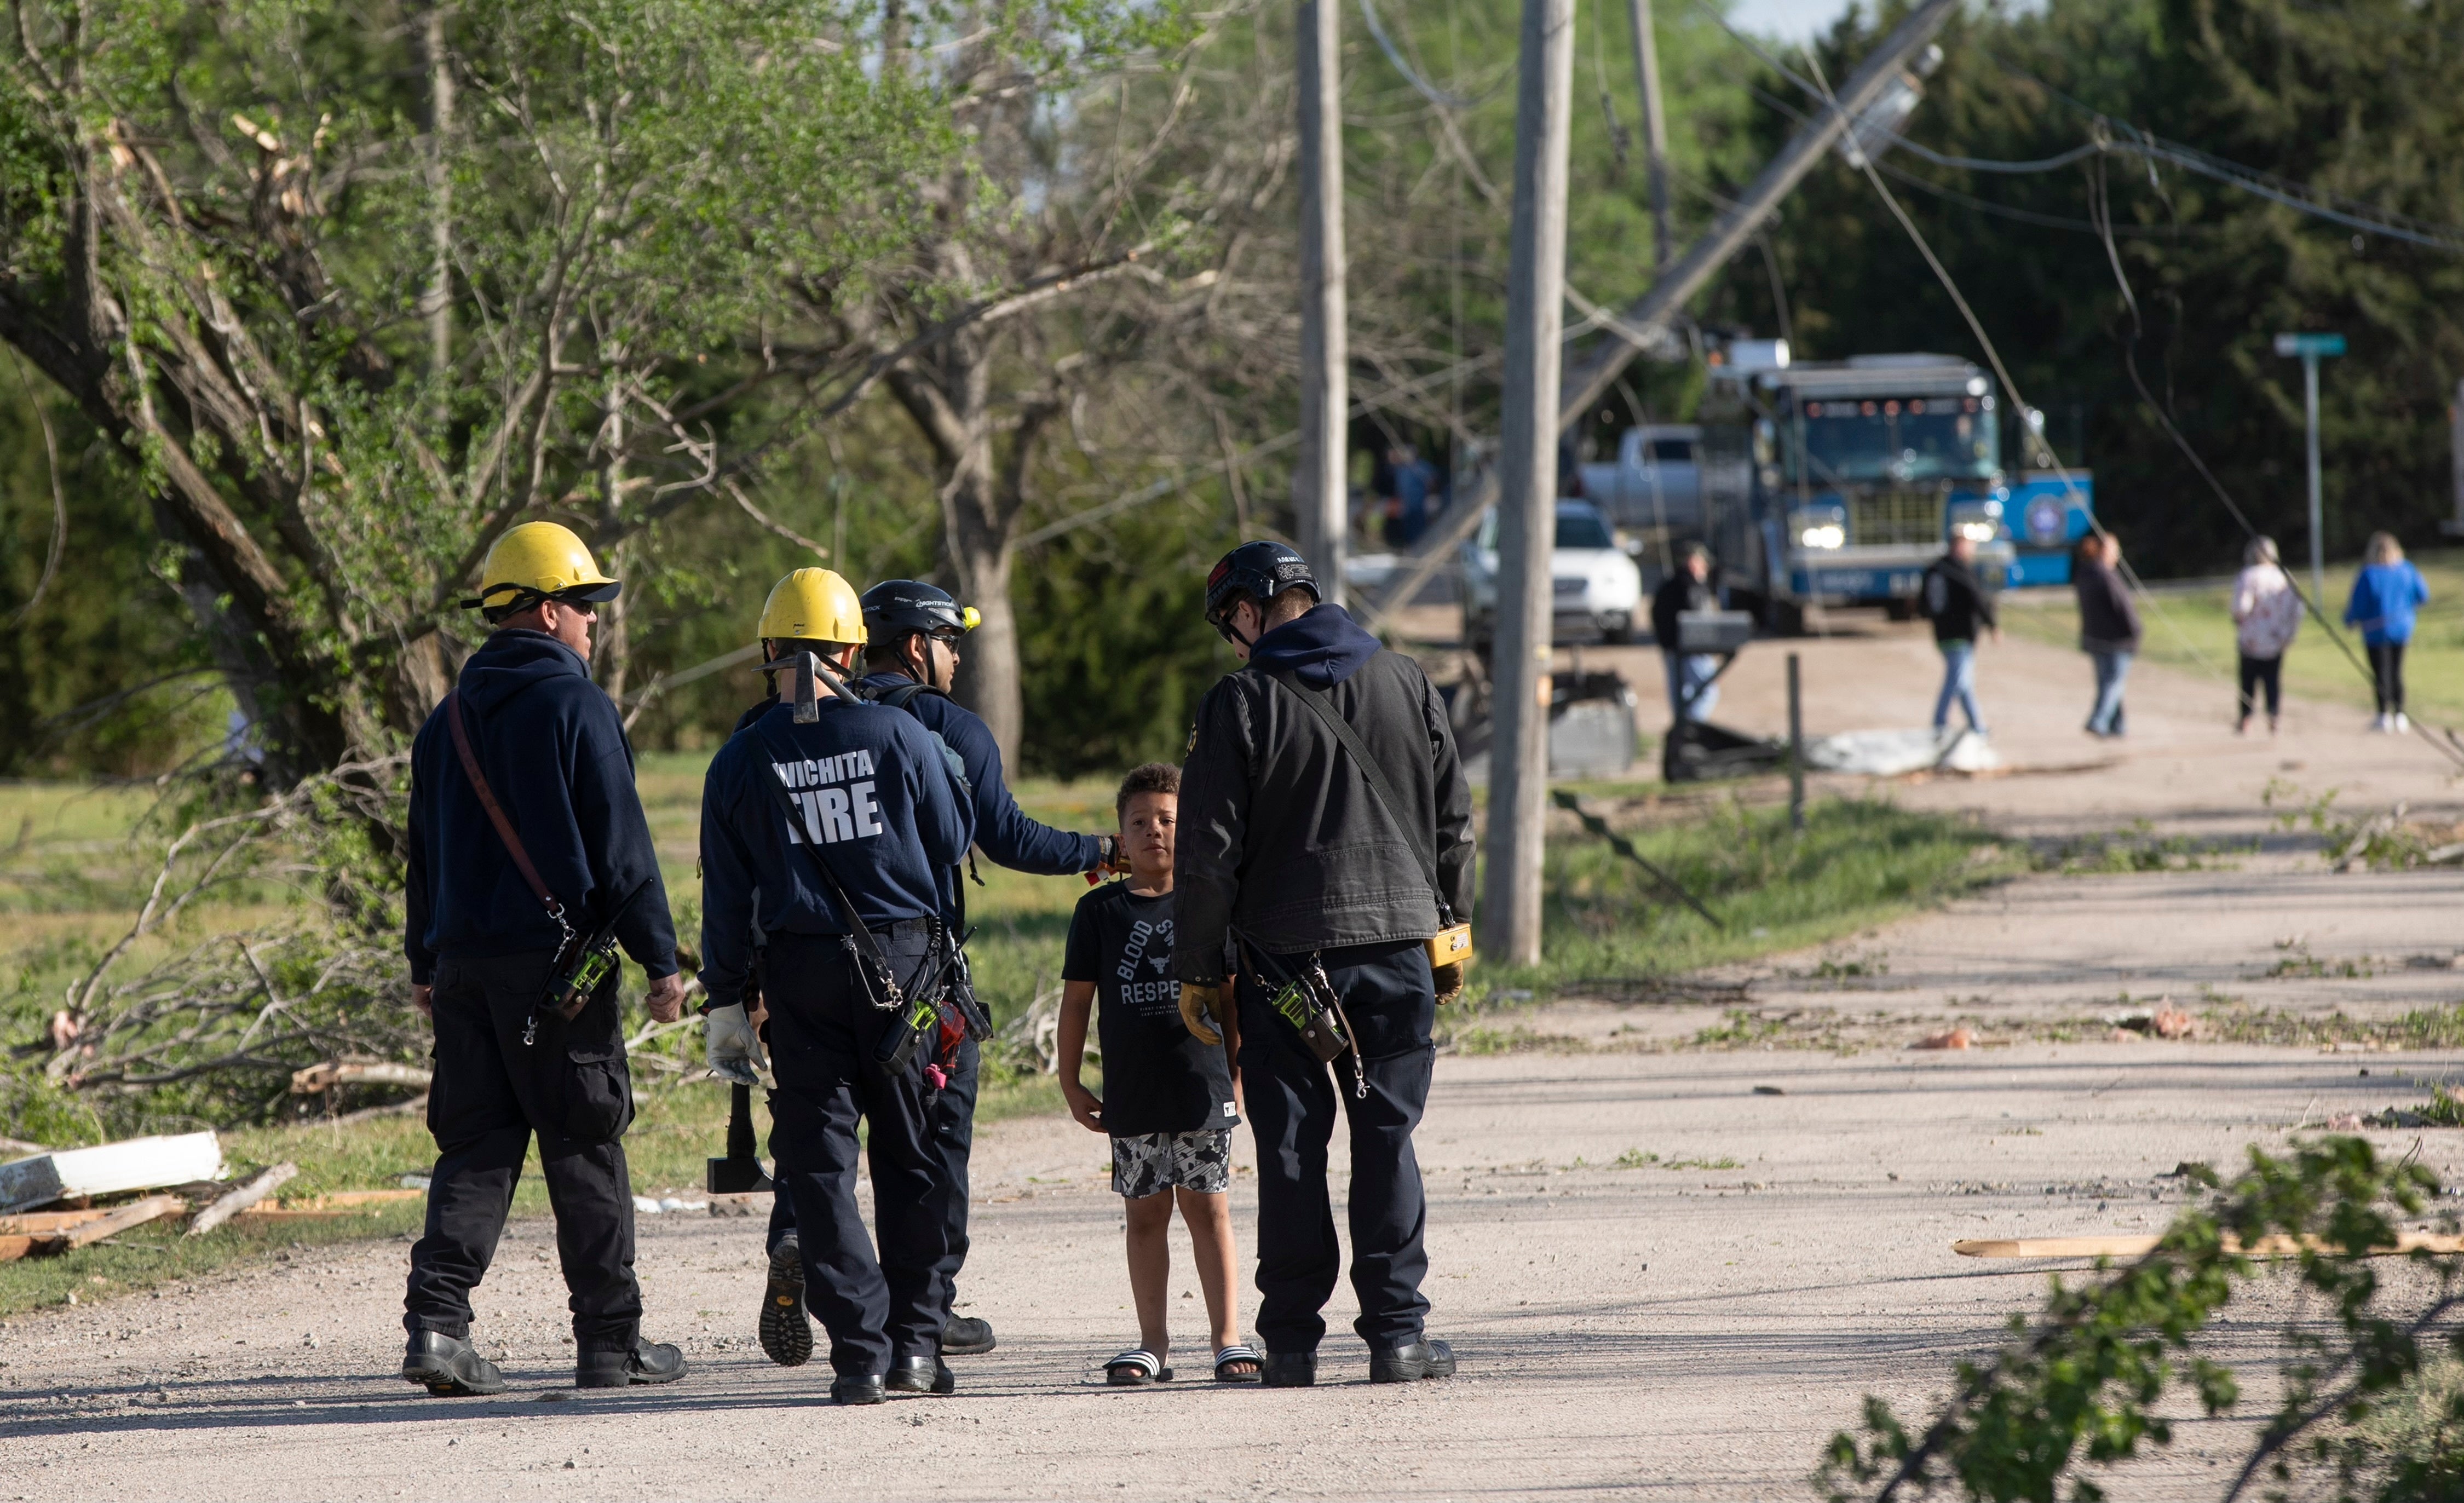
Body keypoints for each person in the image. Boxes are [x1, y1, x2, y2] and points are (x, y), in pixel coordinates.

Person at [747, 579, 1122, 1369]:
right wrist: (1099, 850)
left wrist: (736, 984)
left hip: (788, 959)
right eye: (953, 642)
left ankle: (795, 1235)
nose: (957, 658)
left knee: (819, 1134)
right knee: (927, 1142)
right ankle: (926, 1315)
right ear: (918, 646)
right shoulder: (941, 726)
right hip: (913, 970)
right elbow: (999, 837)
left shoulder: (764, 731)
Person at [1173, 540, 1476, 1388]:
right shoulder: (1408, 679)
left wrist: (1199, 966)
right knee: (1388, 1138)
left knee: (1294, 1149)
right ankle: (1398, 1339)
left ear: (1249, 609)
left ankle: (1294, 1345)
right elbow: (1455, 820)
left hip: (1284, 968)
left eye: (1229, 623)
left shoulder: (1241, 701)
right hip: (1398, 950)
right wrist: (1451, 932)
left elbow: (1208, 853)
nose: (1232, 642)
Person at [400, 521, 690, 1396]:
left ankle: (437, 1328)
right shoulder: (579, 707)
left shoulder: (443, 722)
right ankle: (610, 1343)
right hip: (557, 977)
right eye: (589, 607)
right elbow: (623, 851)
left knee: (476, 1147)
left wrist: (424, 960)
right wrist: (661, 962)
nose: (596, 623)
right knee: (585, 1143)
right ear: (552, 609)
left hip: (462, 968)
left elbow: (424, 854)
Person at [698, 568, 976, 1405]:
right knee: (911, 1157)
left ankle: (857, 1353)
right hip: (902, 970)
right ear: (854, 649)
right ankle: (916, 1347)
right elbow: (955, 837)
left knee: (818, 1166)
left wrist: (722, 996)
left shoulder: (742, 756)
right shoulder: (903, 736)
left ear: (772, 649)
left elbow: (726, 891)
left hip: (799, 974)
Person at [1057, 762, 1263, 1386]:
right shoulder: (1097, 912)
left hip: (1201, 1088)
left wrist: (1239, 1075)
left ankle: (1228, 1339)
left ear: (1191, 828)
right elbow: (1076, 1004)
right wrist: (1070, 1082)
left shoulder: (1214, 906)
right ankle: (1153, 1343)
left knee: (1209, 1212)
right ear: (1120, 835)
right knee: (1145, 1215)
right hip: (1133, 1094)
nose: (1154, 832)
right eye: (1139, 822)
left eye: (1168, 820)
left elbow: (1232, 1000)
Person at [2344, 532, 2429, 733]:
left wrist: (2350, 621)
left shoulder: (2369, 573)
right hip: (2402, 629)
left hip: (2376, 633)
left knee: (2381, 673)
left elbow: (2359, 605)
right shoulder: (2407, 570)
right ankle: (2399, 715)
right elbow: (2423, 596)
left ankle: (2384, 715)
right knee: (2396, 671)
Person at [1919, 533, 1998, 739]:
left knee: (1964, 683)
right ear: (1960, 547)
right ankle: (1939, 725)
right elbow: (1978, 598)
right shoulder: (1961, 570)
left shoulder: (1935, 568)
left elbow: (1922, 604)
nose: (1973, 551)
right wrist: (1993, 624)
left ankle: (1977, 726)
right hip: (1960, 635)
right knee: (1956, 681)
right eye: (1971, 547)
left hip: (1942, 634)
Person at [2232, 536, 2301, 735]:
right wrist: (2290, 634)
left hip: (2251, 640)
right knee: (2273, 680)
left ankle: (2246, 718)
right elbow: (2297, 609)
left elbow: (2241, 608)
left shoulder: (2247, 576)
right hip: (2276, 639)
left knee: (2248, 681)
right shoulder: (2283, 577)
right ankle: (2274, 717)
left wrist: (2238, 618)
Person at [2074, 532, 2140, 738]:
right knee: (2114, 683)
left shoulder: (2085, 575)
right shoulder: (2106, 576)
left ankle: (2118, 726)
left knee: (2108, 682)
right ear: (2106, 551)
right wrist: (2136, 630)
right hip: (2117, 640)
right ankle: (2099, 720)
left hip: (2095, 638)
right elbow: (2123, 608)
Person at [1650, 543, 1722, 723]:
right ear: (1692, 562)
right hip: (1693, 652)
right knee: (1708, 691)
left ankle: (1682, 730)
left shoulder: (1666, 587)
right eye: (1703, 562)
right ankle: (1691, 728)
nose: (1705, 567)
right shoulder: (1692, 587)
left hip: (1671, 650)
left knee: (1680, 697)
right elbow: (1699, 622)